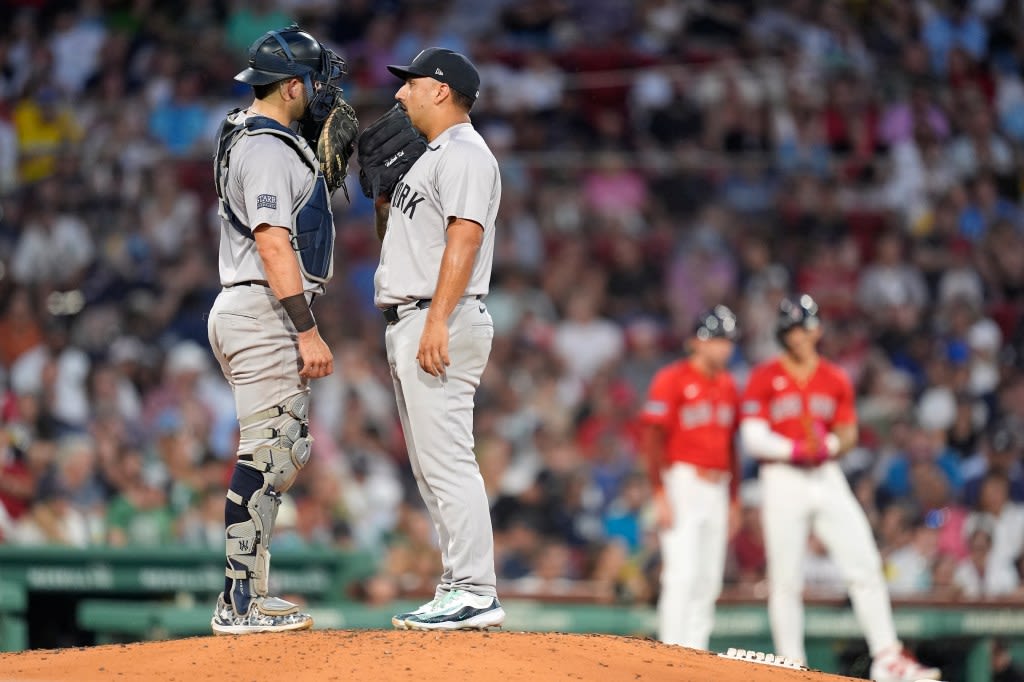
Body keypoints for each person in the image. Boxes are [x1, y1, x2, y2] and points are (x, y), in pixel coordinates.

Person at [206, 25, 346, 634]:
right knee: (270, 450)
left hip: (256, 307)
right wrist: (305, 329)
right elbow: (272, 241)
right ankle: (238, 600)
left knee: (280, 449)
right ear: (292, 86)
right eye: (315, 82)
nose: (323, 94)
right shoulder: (264, 149)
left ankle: (249, 591)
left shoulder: (264, 137)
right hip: (262, 308)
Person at [739, 294, 941, 682]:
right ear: (784, 333)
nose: (801, 335)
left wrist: (827, 446)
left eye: (807, 326)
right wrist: (796, 448)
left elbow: (847, 431)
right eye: (794, 328)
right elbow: (752, 435)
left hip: (826, 473)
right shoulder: (765, 374)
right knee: (785, 579)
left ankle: (887, 657)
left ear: (817, 329)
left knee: (865, 561)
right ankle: (791, 666)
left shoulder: (833, 377)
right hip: (782, 476)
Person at [372, 47, 504, 630]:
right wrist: (381, 198)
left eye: (411, 84)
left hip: (439, 316)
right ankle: (457, 583)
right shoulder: (429, 157)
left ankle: (476, 588)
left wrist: (435, 320)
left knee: (447, 460)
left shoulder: (466, 154)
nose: (400, 94)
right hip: (417, 314)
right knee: (430, 466)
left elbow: (466, 238)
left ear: (441, 91)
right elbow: (406, 241)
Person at [639, 306, 739, 650]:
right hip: (682, 481)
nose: (724, 347)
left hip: (718, 486)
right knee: (681, 572)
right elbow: (652, 440)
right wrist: (659, 492)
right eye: (717, 339)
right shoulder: (672, 378)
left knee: (709, 577)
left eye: (728, 340)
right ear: (696, 341)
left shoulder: (728, 384)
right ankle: (671, 652)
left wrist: (736, 499)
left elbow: (732, 446)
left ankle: (696, 652)